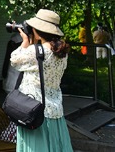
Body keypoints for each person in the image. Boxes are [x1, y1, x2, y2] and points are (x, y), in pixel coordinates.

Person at [10, 9, 73, 152]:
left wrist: (26, 41)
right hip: (55, 111)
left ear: (38, 31)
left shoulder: (37, 51)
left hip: (35, 112)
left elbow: (14, 60)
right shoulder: (61, 52)